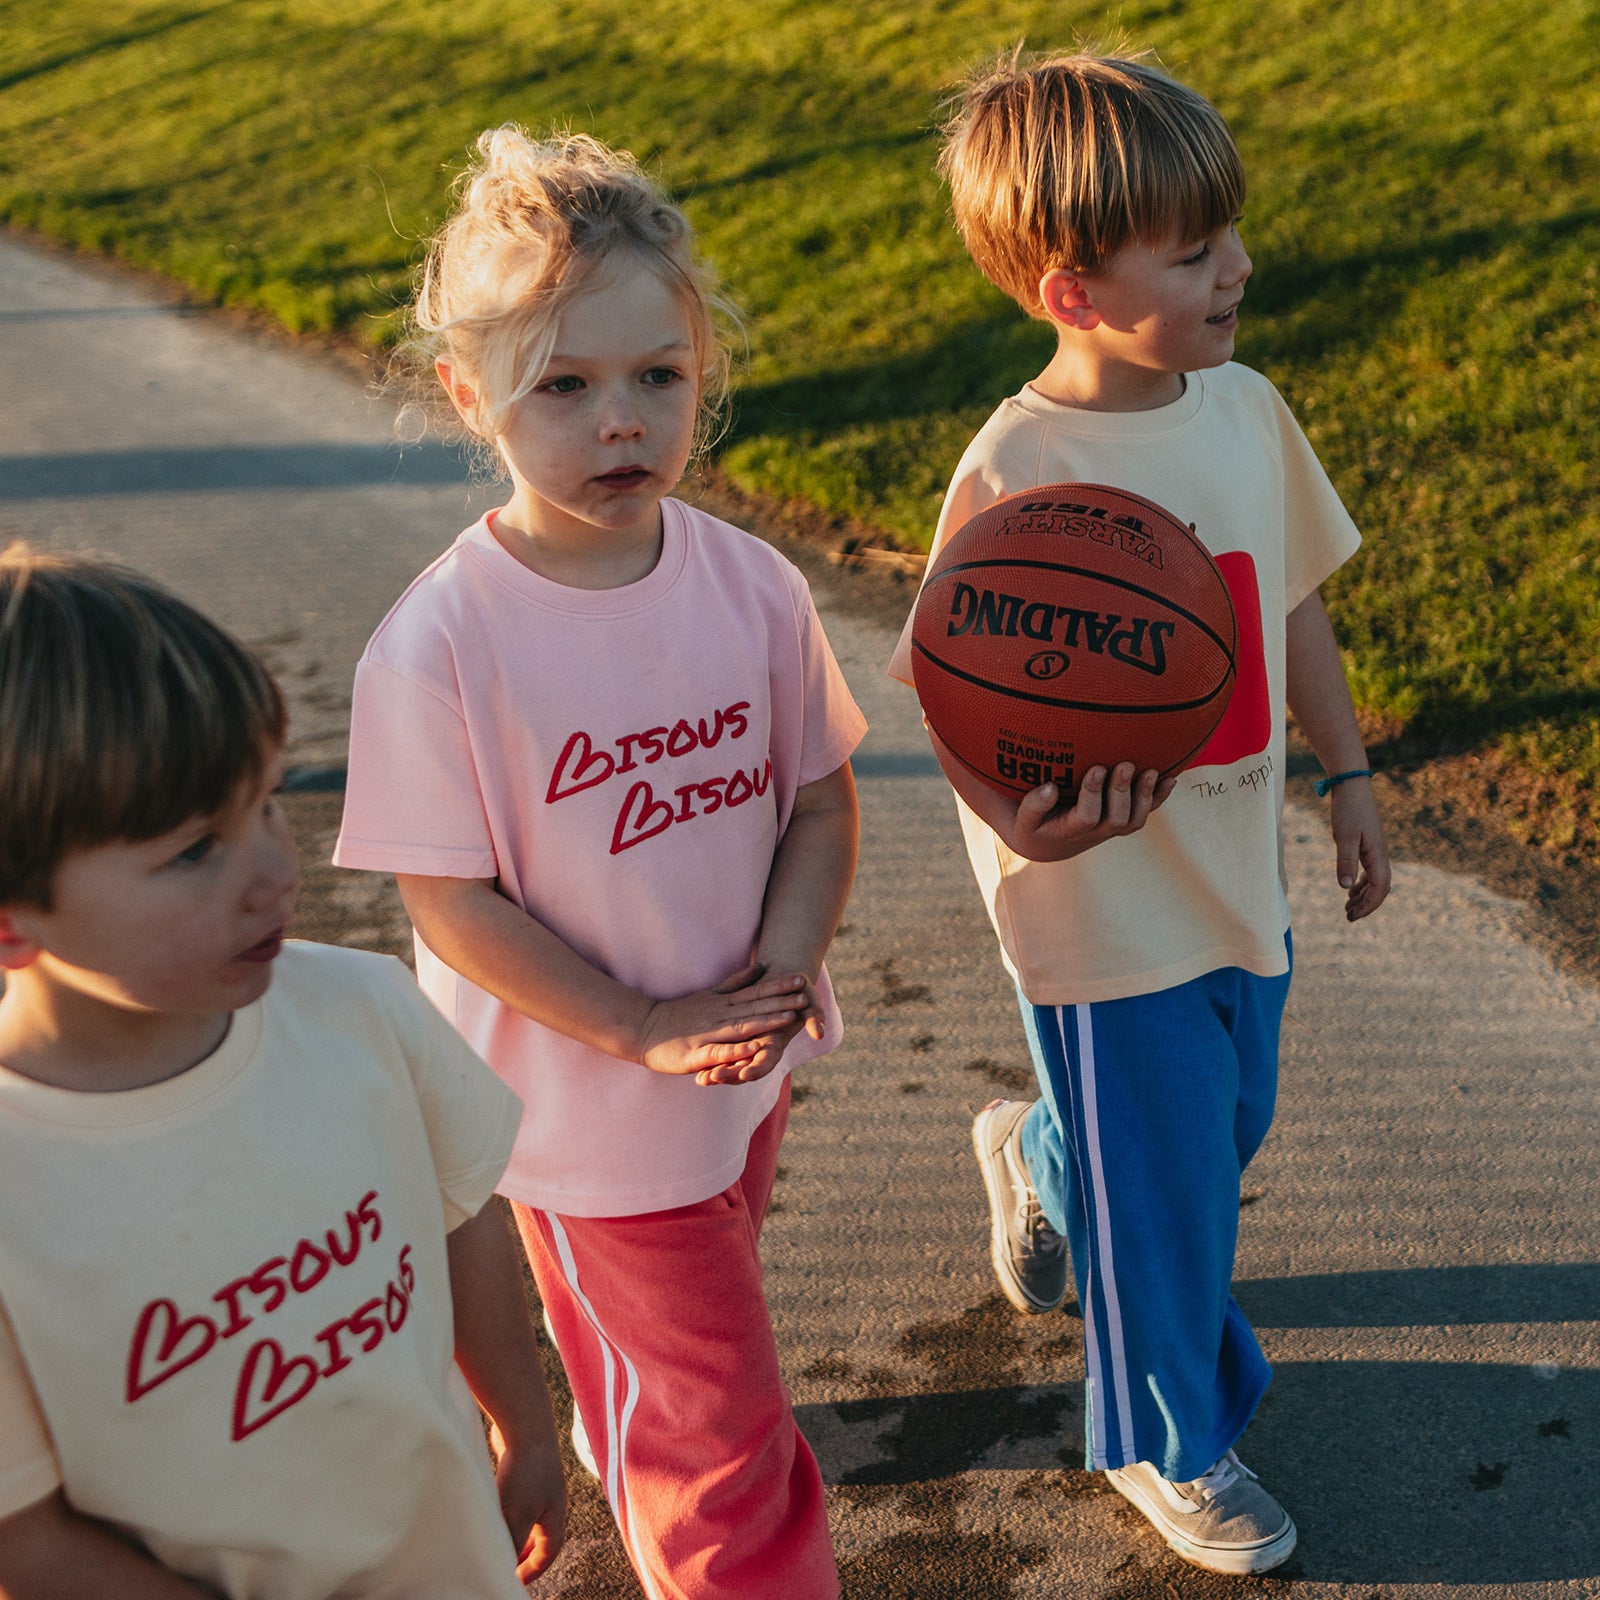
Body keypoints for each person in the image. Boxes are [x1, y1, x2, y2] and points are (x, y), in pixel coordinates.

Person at [334, 126, 863, 1600]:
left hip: (734, 1060)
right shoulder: (444, 645)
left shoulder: (751, 585)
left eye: (656, 377)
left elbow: (818, 801)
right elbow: (449, 902)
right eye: (563, 386)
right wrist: (634, 1026)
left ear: (702, 373)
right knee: (721, 1442)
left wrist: (783, 961)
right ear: (470, 394)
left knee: (703, 1323)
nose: (618, 420)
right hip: (586, 1107)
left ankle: (627, 1383)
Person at [888, 51, 1392, 1576]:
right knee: (1170, 1205)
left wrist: (1349, 775)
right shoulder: (1018, 473)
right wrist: (1017, 826)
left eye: (1229, 232)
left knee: (1221, 1129)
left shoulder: (1242, 409)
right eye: (1193, 252)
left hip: (1233, 874)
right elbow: (948, 690)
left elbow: (1289, 599)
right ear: (1072, 292)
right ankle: (1170, 1439)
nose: (1238, 266)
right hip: (1092, 902)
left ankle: (1040, 1158)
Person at [0, 547, 566, 1598]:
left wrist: (525, 1428)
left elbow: (460, 1219)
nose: (276, 868)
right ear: (12, 920)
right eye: (191, 850)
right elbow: (25, 1542)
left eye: (266, 803)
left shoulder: (357, 1009)